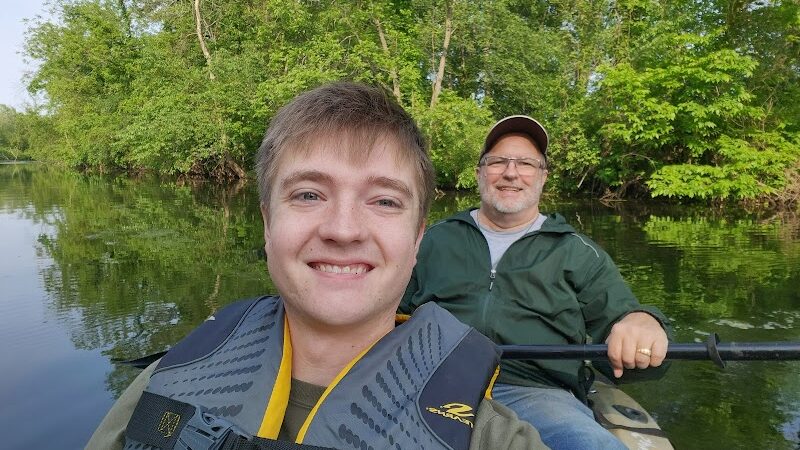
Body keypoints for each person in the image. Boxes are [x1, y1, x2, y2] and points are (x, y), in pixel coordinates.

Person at [86, 84, 548, 450]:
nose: (343, 230)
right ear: (268, 222)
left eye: (384, 200)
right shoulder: (162, 386)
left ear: (417, 237)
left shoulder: (488, 438)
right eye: (308, 194)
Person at [400, 115, 673, 450]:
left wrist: (643, 323)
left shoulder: (578, 252)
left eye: (526, 163)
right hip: (433, 384)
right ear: (479, 173)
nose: (511, 172)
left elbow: (625, 321)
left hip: (539, 395)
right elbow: (383, 312)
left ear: (543, 177)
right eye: (498, 161)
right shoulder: (430, 241)